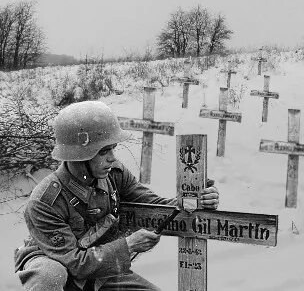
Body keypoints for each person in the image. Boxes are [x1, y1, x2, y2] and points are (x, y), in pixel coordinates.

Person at [14, 100, 220, 291]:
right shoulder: (45, 201)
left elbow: (154, 206)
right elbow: (76, 264)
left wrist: (193, 201)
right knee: (50, 276)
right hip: (54, 258)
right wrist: (129, 245)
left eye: (113, 149)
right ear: (79, 157)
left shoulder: (115, 174)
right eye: (103, 152)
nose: (112, 158)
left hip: (100, 260)